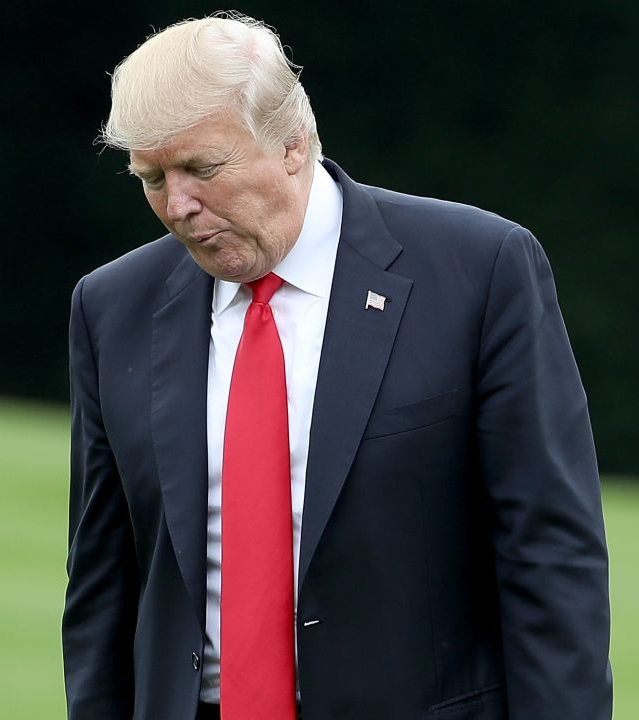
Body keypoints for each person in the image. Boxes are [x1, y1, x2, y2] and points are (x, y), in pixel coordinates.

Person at [62, 13, 611, 720]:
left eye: (202, 168)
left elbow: (550, 559)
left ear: (294, 143)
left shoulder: (479, 272)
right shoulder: (113, 308)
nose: (178, 205)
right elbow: (102, 587)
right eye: (151, 176)